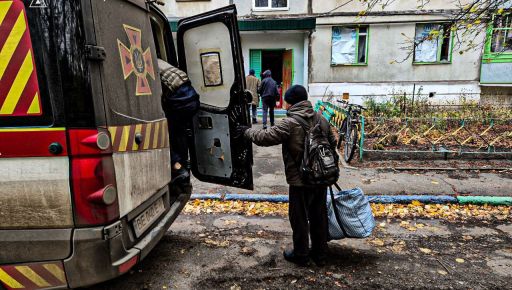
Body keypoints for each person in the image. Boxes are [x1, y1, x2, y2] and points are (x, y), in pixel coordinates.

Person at [237, 85, 337, 267]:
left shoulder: (289, 123)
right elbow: (332, 143)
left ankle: (301, 254)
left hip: (300, 180)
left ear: (291, 103)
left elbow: (265, 137)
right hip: (321, 177)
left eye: (286, 101)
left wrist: (246, 131)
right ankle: (320, 254)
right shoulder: (321, 119)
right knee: (318, 216)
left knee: (298, 218)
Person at [158, 59, 200, 184]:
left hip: (179, 100)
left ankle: (177, 168)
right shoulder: (162, 62)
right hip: (192, 98)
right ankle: (184, 166)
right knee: (180, 133)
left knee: (163, 136)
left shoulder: (148, 64)